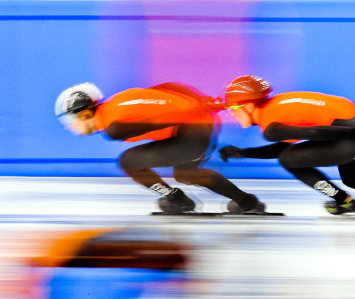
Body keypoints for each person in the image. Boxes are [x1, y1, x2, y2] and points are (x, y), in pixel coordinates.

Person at [217, 75, 355, 217]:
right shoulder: (274, 108)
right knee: (354, 180)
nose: (233, 115)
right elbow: (288, 143)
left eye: (233, 110)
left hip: (348, 131)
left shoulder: (271, 126)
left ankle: (345, 201)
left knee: (288, 159)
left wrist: (354, 133)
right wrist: (243, 153)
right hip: (353, 121)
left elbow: (310, 134)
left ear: (246, 105)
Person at [55, 81, 267, 215]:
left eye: (70, 120)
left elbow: (160, 116)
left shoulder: (114, 127)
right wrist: (201, 101)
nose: (71, 127)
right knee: (186, 173)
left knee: (128, 162)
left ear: (84, 114)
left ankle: (177, 199)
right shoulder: (117, 103)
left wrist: (203, 106)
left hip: (194, 128)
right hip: (197, 124)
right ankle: (247, 202)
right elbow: (166, 90)